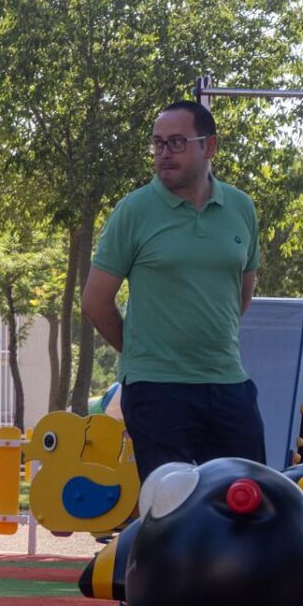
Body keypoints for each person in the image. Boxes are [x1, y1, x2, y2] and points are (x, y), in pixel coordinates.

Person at [81, 101, 265, 474]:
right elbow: (95, 301)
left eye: (177, 143)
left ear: (209, 146)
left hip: (228, 382)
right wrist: (140, 352)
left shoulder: (241, 208)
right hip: (157, 388)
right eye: (158, 143)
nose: (164, 154)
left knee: (249, 503)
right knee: (171, 513)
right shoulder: (134, 210)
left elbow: (240, 296)